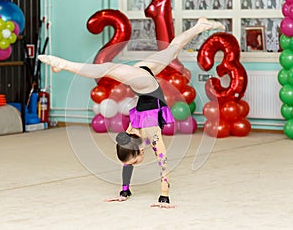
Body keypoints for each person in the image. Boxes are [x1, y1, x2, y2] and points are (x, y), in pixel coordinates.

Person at [38, 17, 225, 208]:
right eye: (134, 162)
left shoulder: (147, 135)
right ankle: (200, 26)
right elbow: (130, 162)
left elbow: (163, 165)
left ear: (140, 150)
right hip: (144, 77)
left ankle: (64, 65)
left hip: (145, 84)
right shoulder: (132, 135)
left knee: (108, 68)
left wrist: (164, 197)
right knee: (172, 49)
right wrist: (124, 191)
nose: (135, 164)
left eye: (135, 161)